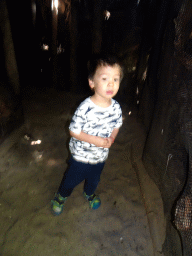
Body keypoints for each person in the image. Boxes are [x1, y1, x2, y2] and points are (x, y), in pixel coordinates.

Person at [51, 54, 124, 215]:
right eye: (104, 78)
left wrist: (112, 138)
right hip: (81, 156)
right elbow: (74, 131)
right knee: (71, 180)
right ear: (92, 82)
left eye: (116, 79)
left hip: (100, 156)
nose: (111, 83)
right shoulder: (85, 107)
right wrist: (95, 140)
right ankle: (60, 196)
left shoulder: (116, 108)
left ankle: (89, 193)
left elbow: (117, 126)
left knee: (94, 179)